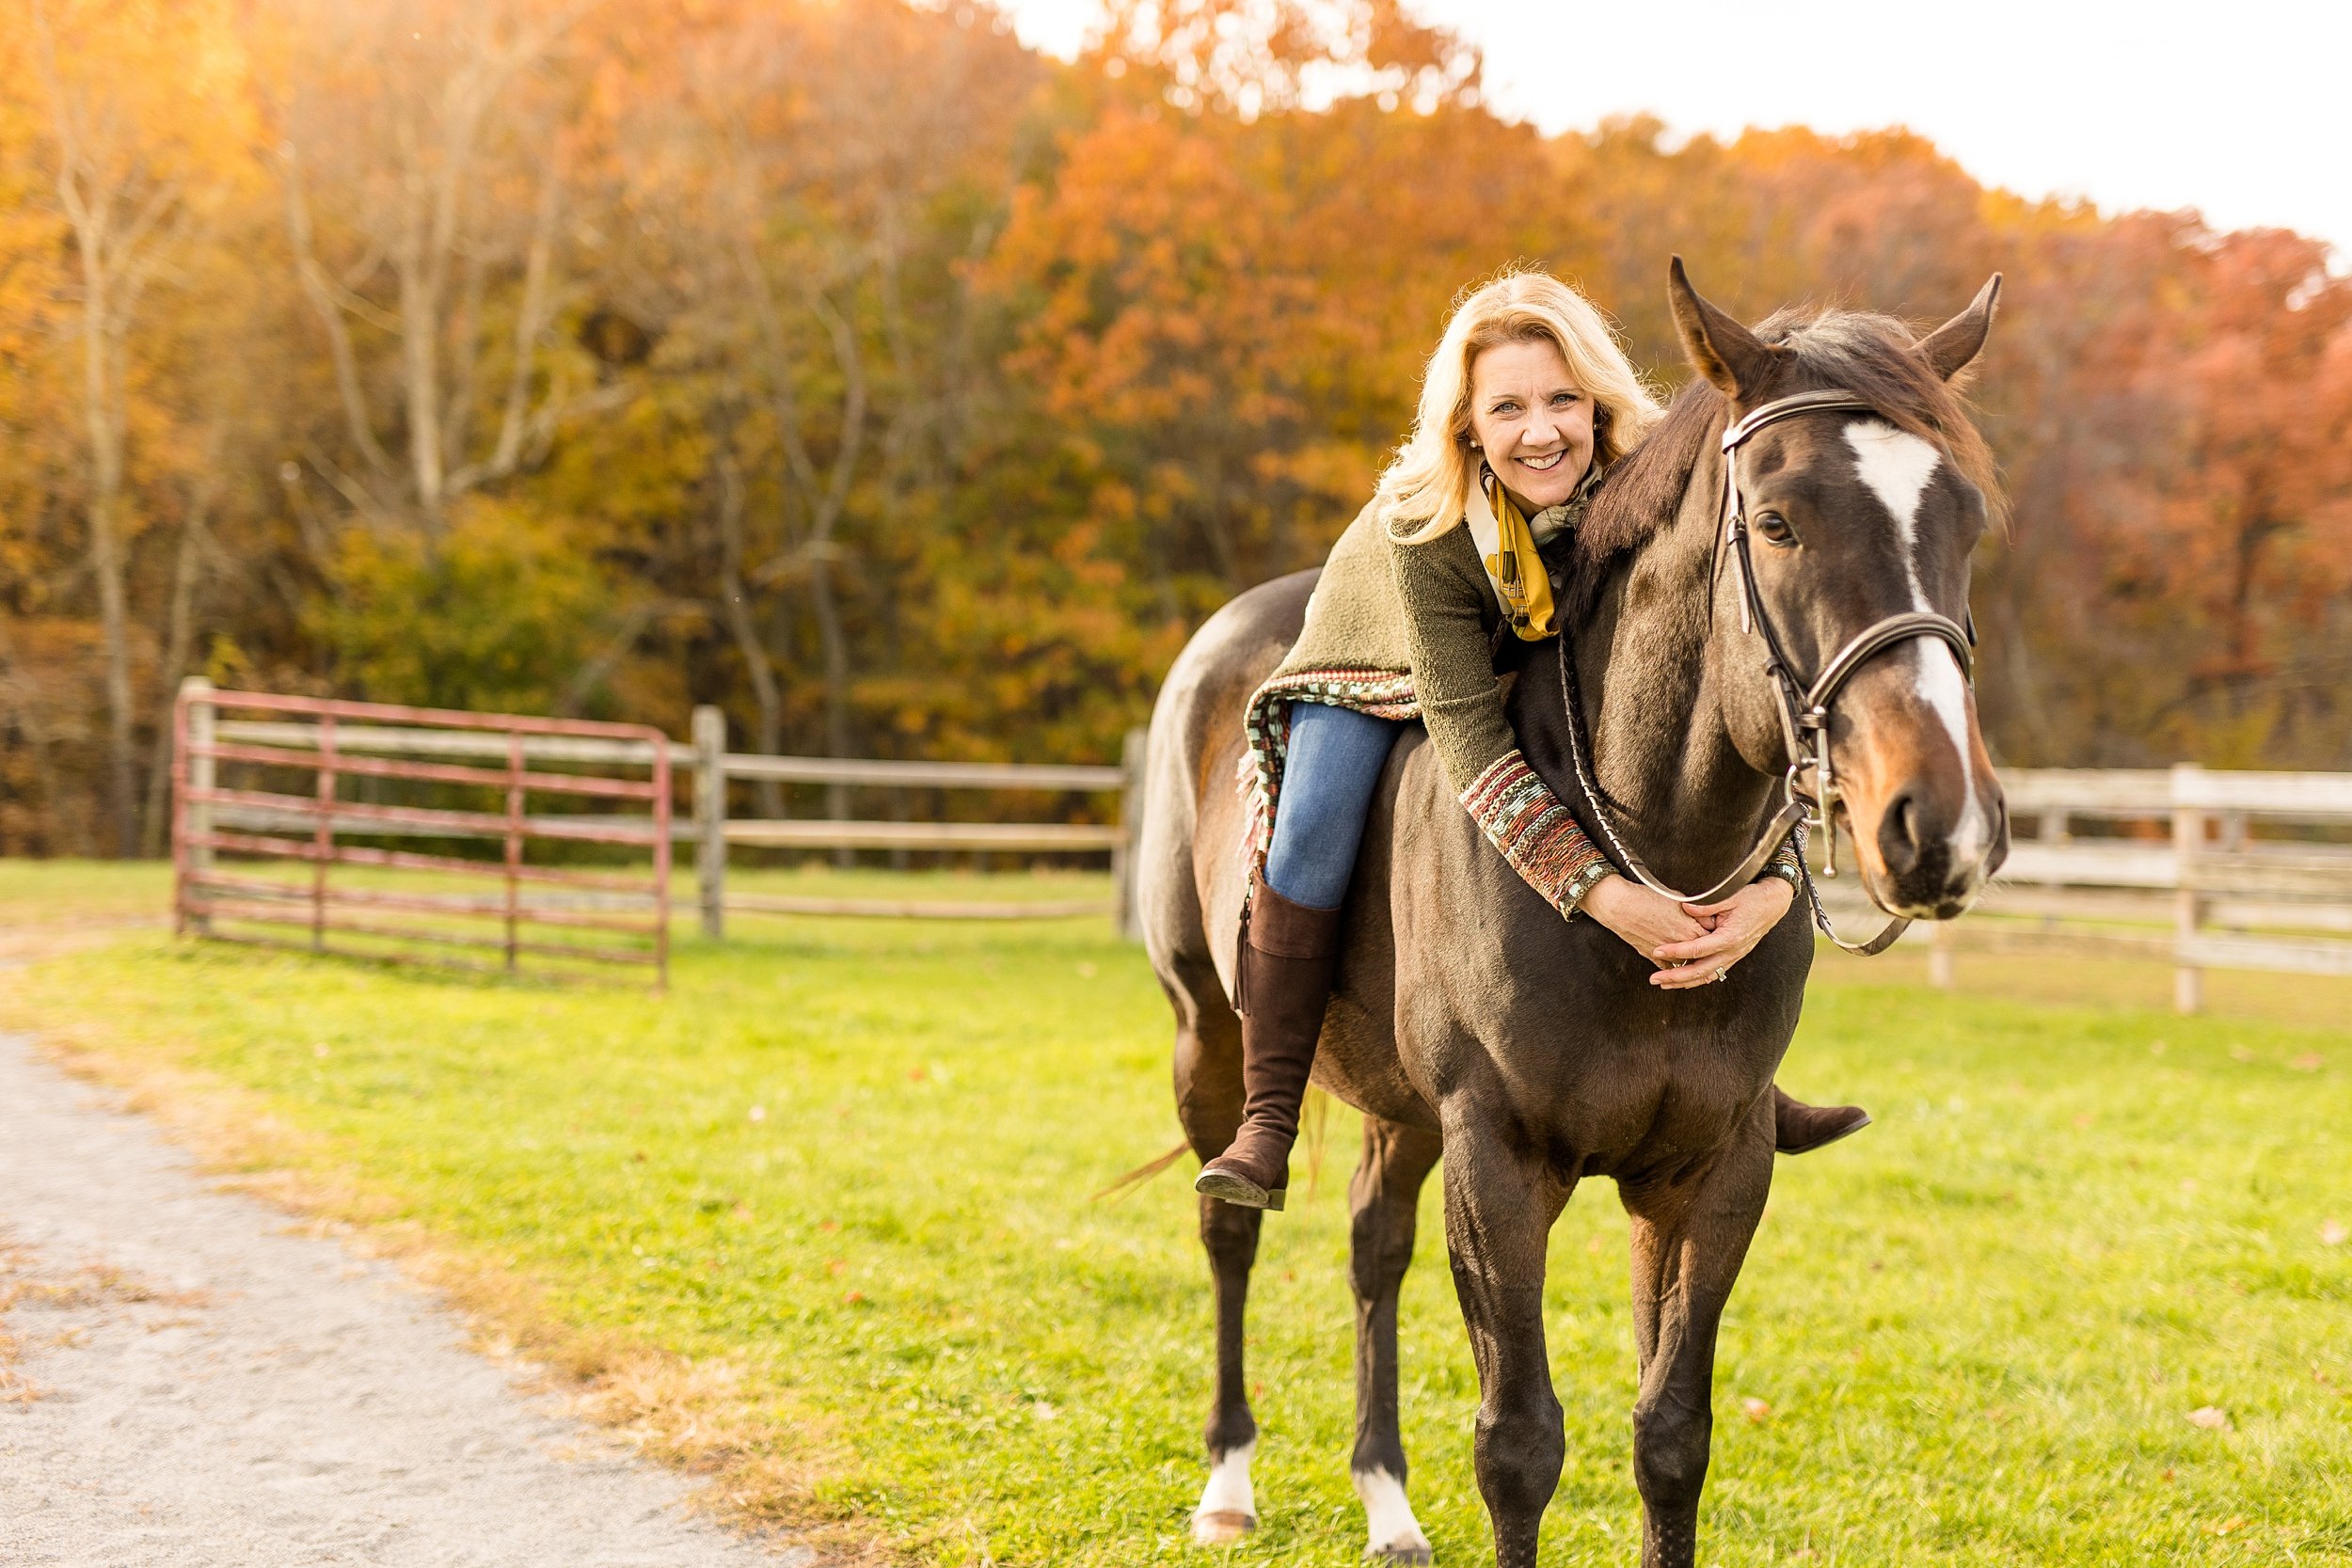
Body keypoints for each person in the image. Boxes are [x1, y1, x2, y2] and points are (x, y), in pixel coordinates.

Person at [1196, 271, 1867, 1212]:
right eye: (1506, 407)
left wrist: (1774, 884)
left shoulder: (1641, 492)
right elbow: (1469, 739)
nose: (1540, 429)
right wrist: (1596, 893)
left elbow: (1699, 710)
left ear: (1595, 403)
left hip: (1541, 646)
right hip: (1382, 652)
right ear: (1469, 424)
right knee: (1311, 826)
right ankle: (1267, 1113)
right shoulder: (1420, 528)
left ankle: (1742, 1083)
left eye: (1561, 400)